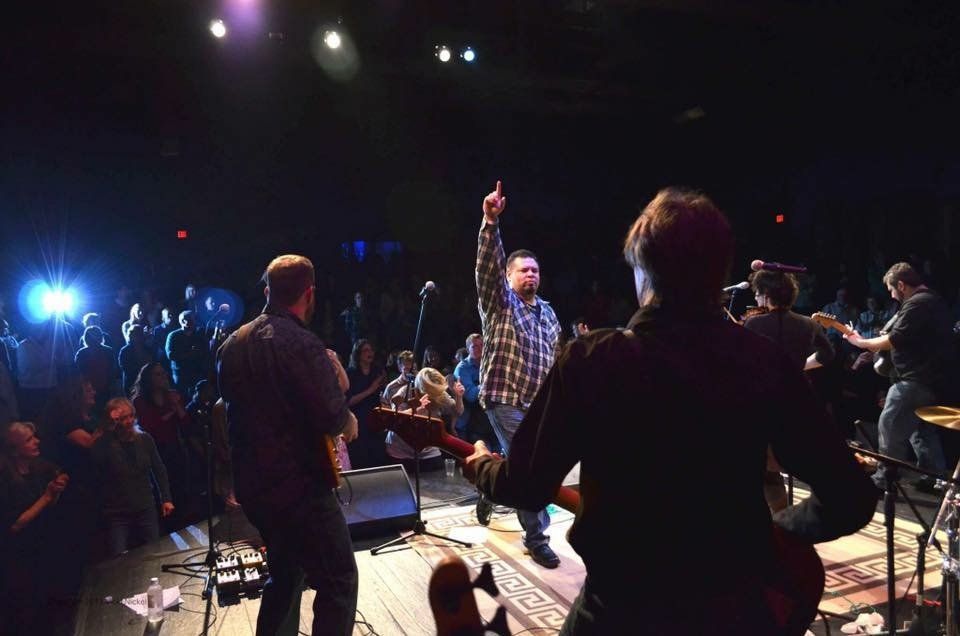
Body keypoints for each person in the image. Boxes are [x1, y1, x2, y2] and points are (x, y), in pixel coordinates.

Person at [465, 188, 877, 635]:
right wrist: (782, 528)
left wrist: (482, 465)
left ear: (643, 272)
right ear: (719, 273)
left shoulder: (593, 360)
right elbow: (851, 496)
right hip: (734, 610)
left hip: (620, 610)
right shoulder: (764, 362)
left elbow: (525, 486)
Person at [217, 254, 359, 636]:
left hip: (254, 487)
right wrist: (348, 416)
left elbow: (230, 408)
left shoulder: (232, 345)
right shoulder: (302, 343)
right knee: (338, 579)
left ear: (267, 291)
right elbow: (332, 417)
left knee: (286, 571)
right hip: (299, 488)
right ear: (309, 293)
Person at [474, 180, 563, 568]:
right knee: (529, 464)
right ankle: (536, 537)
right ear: (509, 276)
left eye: (535, 270)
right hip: (505, 398)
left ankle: (491, 484)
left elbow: (555, 363)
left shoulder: (549, 314)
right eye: (524, 270)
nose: (531, 274)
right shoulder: (500, 303)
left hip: (537, 404)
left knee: (524, 465)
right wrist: (490, 223)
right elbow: (486, 269)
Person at [844, 262, 956, 492]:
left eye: (892, 290)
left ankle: (884, 481)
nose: (892, 296)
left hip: (915, 380)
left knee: (890, 425)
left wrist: (861, 343)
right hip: (930, 379)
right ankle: (934, 479)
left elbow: (894, 339)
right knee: (921, 431)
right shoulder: (932, 301)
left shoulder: (918, 303)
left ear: (902, 285)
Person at [744, 270, 835, 512]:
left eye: (757, 294)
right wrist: (801, 366)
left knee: (759, 467)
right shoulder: (808, 324)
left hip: (763, 405)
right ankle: (783, 518)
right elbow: (828, 354)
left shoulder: (755, 323)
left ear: (766, 295)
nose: (756, 299)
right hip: (797, 404)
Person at [91, 397, 174, 556]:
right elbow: (95, 459)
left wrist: (166, 498)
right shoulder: (106, 444)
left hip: (145, 505)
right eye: (123, 418)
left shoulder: (144, 439)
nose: (129, 421)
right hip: (117, 512)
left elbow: (159, 469)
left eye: (131, 416)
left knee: (154, 552)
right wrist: (108, 428)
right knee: (119, 556)